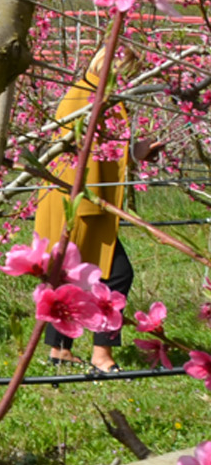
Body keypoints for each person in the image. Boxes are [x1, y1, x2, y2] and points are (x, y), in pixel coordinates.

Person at [33, 48, 158, 373]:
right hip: (80, 204)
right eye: (129, 72)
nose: (131, 81)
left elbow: (101, 147)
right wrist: (89, 208)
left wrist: (135, 153)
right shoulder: (87, 97)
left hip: (80, 202)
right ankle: (101, 355)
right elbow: (76, 154)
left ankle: (60, 350)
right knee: (115, 274)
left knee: (71, 276)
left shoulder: (95, 93)